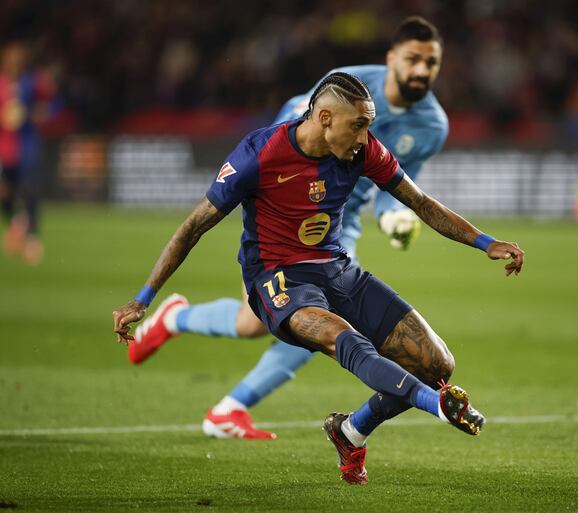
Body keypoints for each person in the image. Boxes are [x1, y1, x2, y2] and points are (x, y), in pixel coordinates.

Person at [112, 71, 524, 484]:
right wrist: (142, 297)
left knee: (435, 362)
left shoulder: (363, 152)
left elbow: (419, 201)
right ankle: (435, 404)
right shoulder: (259, 153)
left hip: (336, 268)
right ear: (325, 118)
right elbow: (193, 226)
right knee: (346, 341)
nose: (365, 137)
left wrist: (483, 241)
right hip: (278, 280)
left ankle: (351, 431)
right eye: (358, 125)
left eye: (369, 125)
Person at [129, 17, 449, 440]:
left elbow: (403, 183)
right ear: (392, 59)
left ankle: (179, 321)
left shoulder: (432, 125)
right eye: (413, 59)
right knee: (295, 325)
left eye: (432, 62)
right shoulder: (351, 87)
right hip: (283, 217)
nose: (422, 70)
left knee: (271, 323)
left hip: (338, 226)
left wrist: (392, 215)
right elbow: (292, 131)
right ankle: (229, 404)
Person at [0, 40, 55, 265]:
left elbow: (54, 102)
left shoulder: (33, 81)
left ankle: (32, 238)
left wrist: (39, 113)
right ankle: (17, 221)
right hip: (5, 146)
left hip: (28, 144)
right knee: (4, 193)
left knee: (30, 191)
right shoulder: (2, 83)